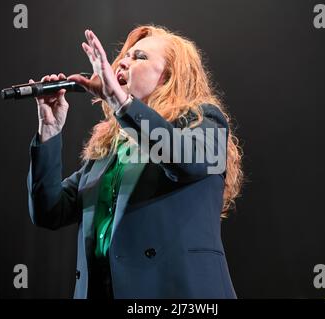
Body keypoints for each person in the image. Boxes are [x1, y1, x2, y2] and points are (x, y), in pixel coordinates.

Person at [27, 25, 243, 299]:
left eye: (139, 56)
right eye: (124, 56)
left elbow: (183, 161)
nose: (124, 61)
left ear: (168, 76)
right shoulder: (110, 150)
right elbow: (49, 211)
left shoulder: (205, 121)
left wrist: (120, 101)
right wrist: (49, 129)